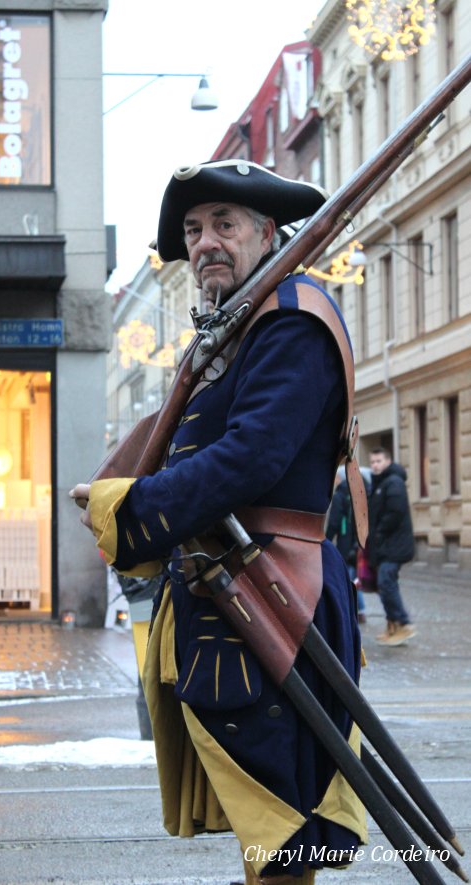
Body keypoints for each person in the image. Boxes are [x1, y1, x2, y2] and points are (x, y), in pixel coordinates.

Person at [70, 160, 367, 885]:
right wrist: (121, 482)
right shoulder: (234, 333)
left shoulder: (291, 318)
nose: (205, 241)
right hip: (230, 600)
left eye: (224, 224)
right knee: (267, 838)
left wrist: (134, 510)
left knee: (285, 836)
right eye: (196, 229)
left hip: (273, 596)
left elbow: (250, 458)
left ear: (268, 232)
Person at [367, 447, 416, 647]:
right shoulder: (381, 483)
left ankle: (404, 623)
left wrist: (378, 533)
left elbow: (395, 512)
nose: (375, 465)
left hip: (394, 545)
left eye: (379, 461)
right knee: (385, 583)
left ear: (388, 461)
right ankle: (393, 626)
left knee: (386, 581)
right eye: (372, 462)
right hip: (387, 545)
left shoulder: (393, 482)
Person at [326, 467, 366, 624]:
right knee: (354, 575)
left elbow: (334, 521)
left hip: (345, 541)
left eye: (336, 477)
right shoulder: (360, 493)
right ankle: (360, 610)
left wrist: (326, 540)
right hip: (360, 541)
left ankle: (355, 610)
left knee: (348, 577)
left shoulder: (340, 495)